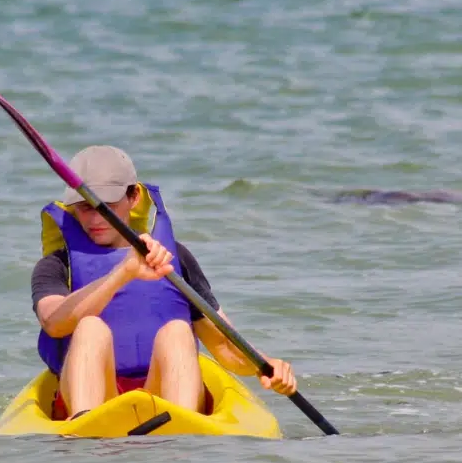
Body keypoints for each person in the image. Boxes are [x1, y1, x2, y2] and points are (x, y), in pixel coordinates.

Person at [31, 145, 297, 420]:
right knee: (90, 327)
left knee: (178, 332)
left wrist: (265, 366)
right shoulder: (57, 264)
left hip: (162, 397)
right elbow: (54, 322)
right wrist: (124, 272)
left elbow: (223, 345)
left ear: (133, 197)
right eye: (85, 208)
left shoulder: (173, 258)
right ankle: (85, 432)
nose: (96, 219)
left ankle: (181, 433)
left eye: (106, 206)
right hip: (92, 402)